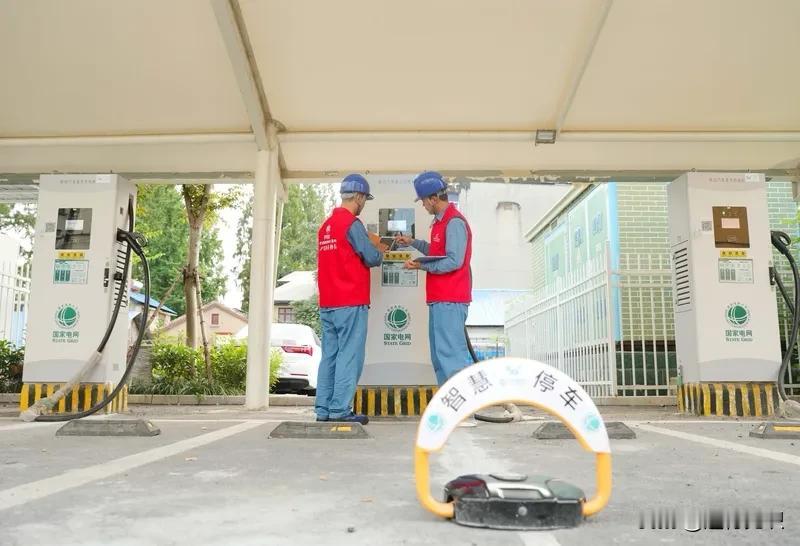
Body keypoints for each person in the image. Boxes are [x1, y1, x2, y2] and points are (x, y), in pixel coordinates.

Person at [316, 174, 386, 425]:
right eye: (365, 198)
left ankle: (323, 409)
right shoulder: (352, 225)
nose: (364, 202)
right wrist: (378, 247)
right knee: (349, 355)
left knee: (330, 356)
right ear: (358, 197)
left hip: (328, 303)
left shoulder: (325, 227)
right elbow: (370, 257)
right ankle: (340, 410)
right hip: (351, 301)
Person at [396, 171, 473, 386]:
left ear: (433, 198)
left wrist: (421, 265)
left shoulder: (454, 222)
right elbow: (437, 251)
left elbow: (453, 261)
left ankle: (459, 409)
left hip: (450, 299)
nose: (422, 206)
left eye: (423, 201)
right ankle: (448, 406)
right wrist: (413, 242)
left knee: (451, 358)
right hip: (440, 299)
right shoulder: (440, 223)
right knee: (440, 358)